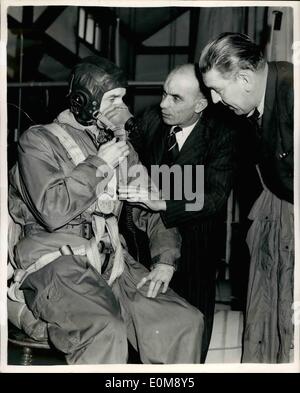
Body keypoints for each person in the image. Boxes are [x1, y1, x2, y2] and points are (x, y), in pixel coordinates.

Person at [7, 56, 204, 365]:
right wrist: (99, 165)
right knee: (105, 329)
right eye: (113, 98)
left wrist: (166, 260)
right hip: (57, 264)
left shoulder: (119, 149)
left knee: (183, 323)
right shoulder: (38, 141)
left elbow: (151, 206)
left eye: (123, 98)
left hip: (111, 264)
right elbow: (52, 210)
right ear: (85, 100)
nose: (121, 106)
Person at [104, 63, 237, 362]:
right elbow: (129, 143)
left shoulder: (222, 135)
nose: (163, 103)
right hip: (145, 245)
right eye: (164, 93)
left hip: (195, 250)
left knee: (188, 333)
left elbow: (214, 198)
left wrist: (161, 201)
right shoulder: (152, 119)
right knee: (141, 333)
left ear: (201, 104)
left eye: (176, 98)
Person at [199, 32, 294, 363]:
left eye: (218, 90)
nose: (213, 100)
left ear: (244, 78)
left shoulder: (292, 94)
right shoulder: (258, 104)